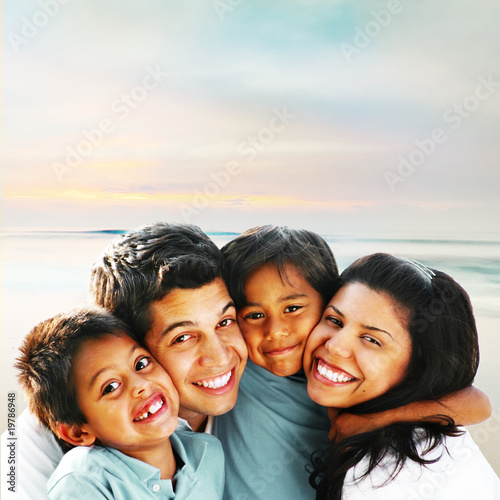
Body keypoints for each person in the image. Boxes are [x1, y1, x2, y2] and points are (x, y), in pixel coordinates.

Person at [214, 226, 493, 500]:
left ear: (323, 301)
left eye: (293, 309)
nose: (276, 331)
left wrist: (370, 420)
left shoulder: (385, 465)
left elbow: (477, 404)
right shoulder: (241, 364)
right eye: (335, 321)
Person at [14, 222, 248, 499]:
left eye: (225, 321)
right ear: (127, 341)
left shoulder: (208, 450)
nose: (221, 357)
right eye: (182, 337)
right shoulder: (38, 448)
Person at [304, 253, 500, 500]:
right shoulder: (433, 430)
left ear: (419, 368)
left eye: (372, 340)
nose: (335, 346)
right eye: (334, 320)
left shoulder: (383, 477)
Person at [15, 308, 225, 499]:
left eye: (141, 363)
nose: (140, 385)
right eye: (110, 387)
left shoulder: (207, 453)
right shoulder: (83, 480)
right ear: (78, 432)